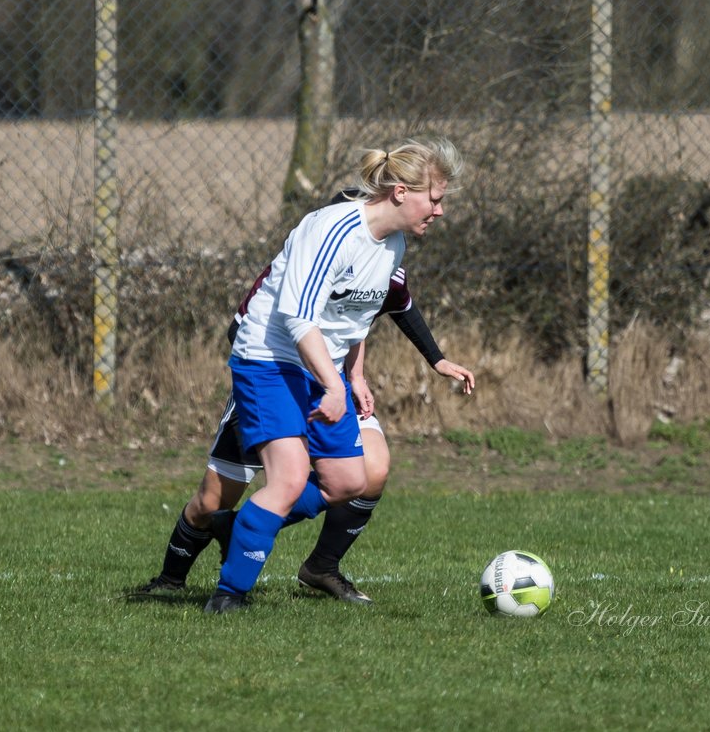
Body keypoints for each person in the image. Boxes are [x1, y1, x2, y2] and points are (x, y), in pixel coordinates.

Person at [202, 137, 464, 613]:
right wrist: (331, 384)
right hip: (270, 355)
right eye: (436, 199)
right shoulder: (332, 229)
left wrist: (352, 378)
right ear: (401, 192)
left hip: (318, 364)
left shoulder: (394, 244)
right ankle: (228, 596)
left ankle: (240, 525)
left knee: (348, 481)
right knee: (288, 478)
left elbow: (351, 321)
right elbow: (297, 317)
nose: (440, 211)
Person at [133, 249, 474, 605]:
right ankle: (171, 579)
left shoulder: (383, 266)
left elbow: (394, 308)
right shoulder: (297, 268)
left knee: (370, 470)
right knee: (213, 500)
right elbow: (239, 330)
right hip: (276, 381)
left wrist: (430, 361)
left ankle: (319, 566)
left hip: (336, 388)